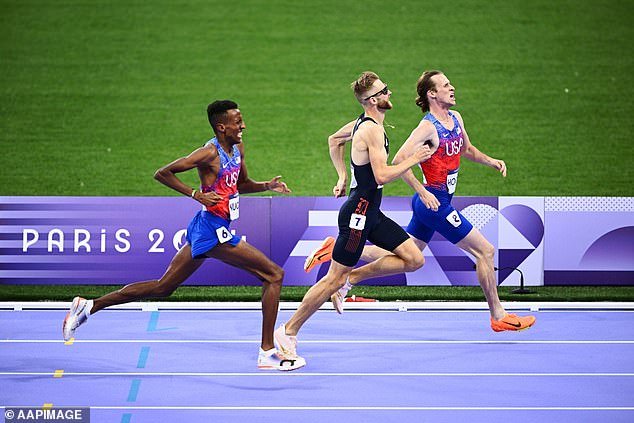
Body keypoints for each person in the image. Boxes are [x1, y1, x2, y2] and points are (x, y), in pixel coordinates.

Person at [62, 100, 306, 371]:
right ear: (221, 126)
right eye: (238, 122)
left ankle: (88, 306)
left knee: (163, 287)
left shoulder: (238, 148)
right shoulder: (207, 154)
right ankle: (267, 352)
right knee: (274, 275)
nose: (244, 126)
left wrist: (267, 186)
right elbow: (162, 173)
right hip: (213, 231)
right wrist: (196, 194)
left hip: (207, 227)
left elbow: (241, 185)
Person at [305, 70, 536, 332]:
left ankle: (336, 252)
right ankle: (498, 314)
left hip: (436, 201)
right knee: (485, 251)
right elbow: (399, 159)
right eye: (446, 85)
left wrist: (490, 161)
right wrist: (422, 190)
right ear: (432, 93)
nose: (452, 88)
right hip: (434, 204)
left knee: (407, 255)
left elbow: (467, 149)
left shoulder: (456, 118)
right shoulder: (427, 127)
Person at [273, 72, 432, 362]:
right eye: (385, 91)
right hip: (358, 213)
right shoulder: (370, 130)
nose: (390, 94)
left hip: (370, 212)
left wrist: (342, 176)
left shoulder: (364, 123)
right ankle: (289, 330)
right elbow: (382, 174)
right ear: (373, 100)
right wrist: (413, 159)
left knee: (414, 259)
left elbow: (334, 140)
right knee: (331, 280)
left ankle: (351, 278)